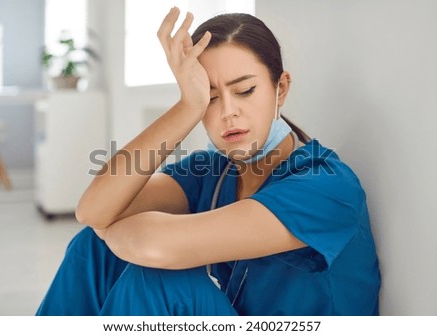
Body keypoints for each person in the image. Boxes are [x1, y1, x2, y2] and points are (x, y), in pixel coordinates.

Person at [36, 7, 381, 316]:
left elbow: (150, 244)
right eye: (210, 98)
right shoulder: (211, 172)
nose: (228, 111)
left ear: (281, 89)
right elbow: (92, 210)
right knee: (94, 248)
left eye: (245, 91)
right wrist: (186, 108)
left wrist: (113, 223)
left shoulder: (326, 185)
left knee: (157, 279)